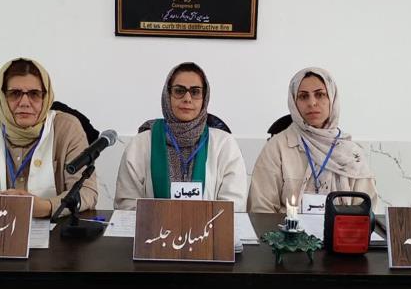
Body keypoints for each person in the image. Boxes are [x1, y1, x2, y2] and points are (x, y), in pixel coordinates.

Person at [0, 57, 98, 217]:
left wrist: (46, 207)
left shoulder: (66, 127)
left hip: (53, 227)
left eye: (34, 94)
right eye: (15, 94)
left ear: (45, 98)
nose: (24, 102)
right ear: (2, 97)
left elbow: (87, 192)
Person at [114, 62, 247, 210]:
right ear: (167, 95)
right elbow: (126, 204)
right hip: (151, 225)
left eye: (195, 92)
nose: (187, 98)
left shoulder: (224, 144)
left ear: (204, 98)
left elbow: (233, 206)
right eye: (179, 91)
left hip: (210, 225)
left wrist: (200, 222)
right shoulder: (141, 144)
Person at [247, 67, 377, 213]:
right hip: (286, 228)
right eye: (303, 96)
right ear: (294, 102)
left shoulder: (352, 153)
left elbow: (366, 211)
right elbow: (261, 209)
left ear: (332, 98)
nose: (312, 102)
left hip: (343, 228)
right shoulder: (277, 147)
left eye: (320, 94)